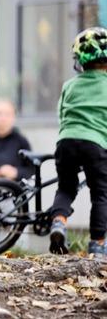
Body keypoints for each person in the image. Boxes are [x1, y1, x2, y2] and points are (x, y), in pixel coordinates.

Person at [49, 27, 107, 256]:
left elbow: (61, 114)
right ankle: (98, 243)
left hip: (66, 141)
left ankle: (59, 222)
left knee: (66, 186)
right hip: (95, 143)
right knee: (101, 193)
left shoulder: (69, 85)